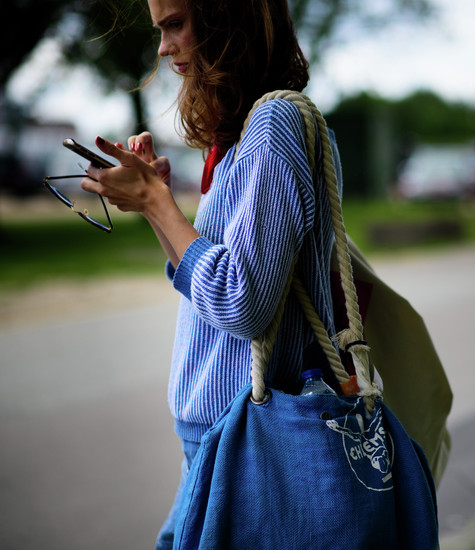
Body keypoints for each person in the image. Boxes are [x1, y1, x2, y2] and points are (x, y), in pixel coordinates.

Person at [80, 0, 342, 547]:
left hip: (250, 445)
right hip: (218, 442)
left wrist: (157, 203)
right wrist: (158, 204)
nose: (163, 47)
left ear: (228, 17)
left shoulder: (275, 125)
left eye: (175, 24)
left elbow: (243, 304)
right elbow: (213, 285)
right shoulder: (246, 134)